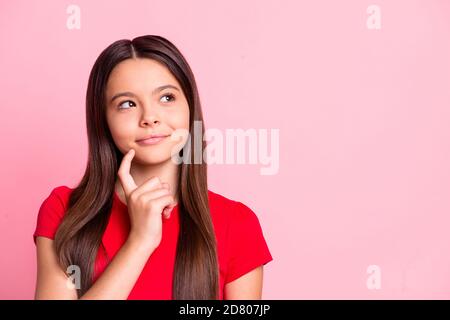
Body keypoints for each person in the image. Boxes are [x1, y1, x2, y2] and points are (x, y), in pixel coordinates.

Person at [33, 35, 273, 300]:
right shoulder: (64, 210)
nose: (149, 117)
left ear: (190, 106)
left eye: (167, 97)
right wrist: (140, 242)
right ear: (103, 119)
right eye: (127, 104)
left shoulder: (236, 224)